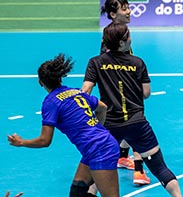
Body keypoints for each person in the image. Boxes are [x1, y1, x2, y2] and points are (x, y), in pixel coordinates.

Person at [82, 23, 182, 197]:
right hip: (137, 124)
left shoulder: (96, 62)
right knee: (160, 169)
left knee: (98, 171)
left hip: (109, 126)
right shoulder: (138, 62)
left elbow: (85, 93)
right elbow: (146, 93)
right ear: (121, 43)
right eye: (128, 36)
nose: (131, 39)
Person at [7, 54, 120, 197]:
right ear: (60, 78)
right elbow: (102, 107)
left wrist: (21, 142)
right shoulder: (76, 92)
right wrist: (97, 127)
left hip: (100, 149)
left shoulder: (51, 102)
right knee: (78, 192)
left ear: (40, 82)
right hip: (98, 145)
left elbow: (45, 140)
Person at [100, 0, 150, 185]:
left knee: (127, 126)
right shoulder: (111, 38)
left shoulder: (119, 31)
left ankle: (122, 157)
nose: (129, 11)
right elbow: (107, 66)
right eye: (124, 8)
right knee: (134, 124)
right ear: (113, 14)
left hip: (122, 88)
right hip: (120, 91)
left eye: (128, 7)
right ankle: (139, 171)